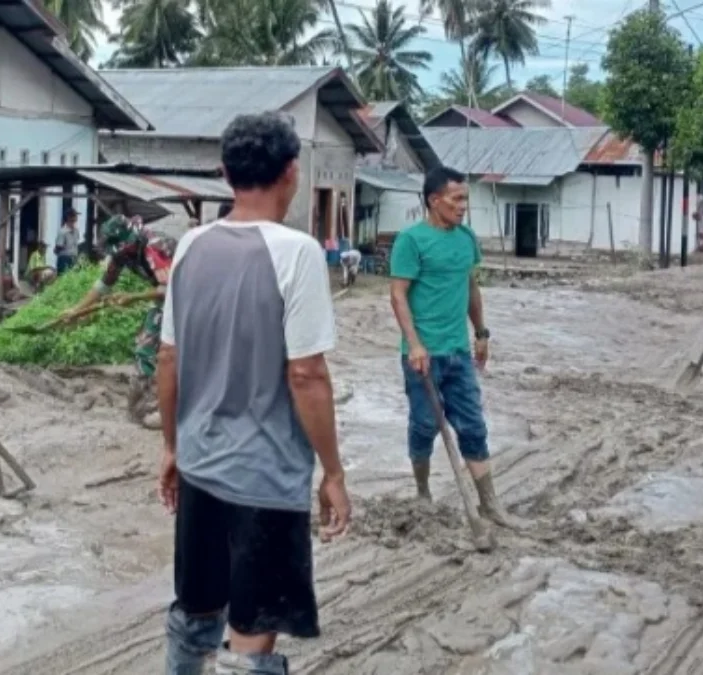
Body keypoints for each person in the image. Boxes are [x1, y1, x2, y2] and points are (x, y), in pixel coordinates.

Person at [156, 111, 350, 675]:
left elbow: (169, 358)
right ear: (292, 172)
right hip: (264, 480)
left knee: (195, 616)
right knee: (251, 635)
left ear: (224, 173)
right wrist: (333, 473)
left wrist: (171, 447)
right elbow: (307, 374)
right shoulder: (297, 253)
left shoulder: (190, 247)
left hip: (198, 466)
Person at [388, 166, 509, 527]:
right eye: (456, 199)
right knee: (425, 425)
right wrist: (414, 345)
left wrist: (482, 333)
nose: (462, 206)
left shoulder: (466, 239)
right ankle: (423, 491)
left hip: (458, 353)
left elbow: (471, 287)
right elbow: (398, 295)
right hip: (423, 355)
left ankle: (490, 504)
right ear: (434, 200)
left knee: (473, 426)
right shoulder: (411, 241)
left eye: (465, 199)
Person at [60, 214, 176, 429]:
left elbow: (169, 288)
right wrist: (77, 311)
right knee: (145, 348)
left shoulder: (154, 247)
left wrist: (132, 298)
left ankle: (169, 410)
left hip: (189, 298)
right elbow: (104, 285)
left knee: (172, 353)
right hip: (164, 299)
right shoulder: (122, 254)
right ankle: (142, 407)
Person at [55, 208, 80, 274]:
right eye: (74, 215)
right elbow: (58, 247)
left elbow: (76, 244)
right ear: (69, 217)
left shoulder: (76, 231)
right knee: (63, 277)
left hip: (74, 258)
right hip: (64, 258)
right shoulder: (63, 231)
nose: (76, 217)